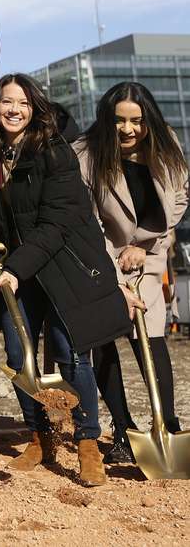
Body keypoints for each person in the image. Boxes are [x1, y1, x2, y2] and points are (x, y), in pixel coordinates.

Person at [0, 75, 131, 486]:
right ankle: (41, 434)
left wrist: (15, 268)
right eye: (6, 102)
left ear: (34, 109)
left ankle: (87, 442)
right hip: (21, 269)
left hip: (65, 263)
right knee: (15, 354)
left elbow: (56, 224)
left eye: (22, 104)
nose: (14, 110)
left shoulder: (54, 151)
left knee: (71, 353)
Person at [74, 81, 189, 463]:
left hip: (149, 259)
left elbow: (180, 193)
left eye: (136, 121)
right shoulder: (87, 156)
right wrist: (116, 260)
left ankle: (166, 428)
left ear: (148, 120)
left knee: (151, 344)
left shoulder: (165, 144)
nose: (127, 130)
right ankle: (123, 433)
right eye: (119, 121)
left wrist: (146, 245)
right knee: (105, 343)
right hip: (103, 261)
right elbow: (87, 221)